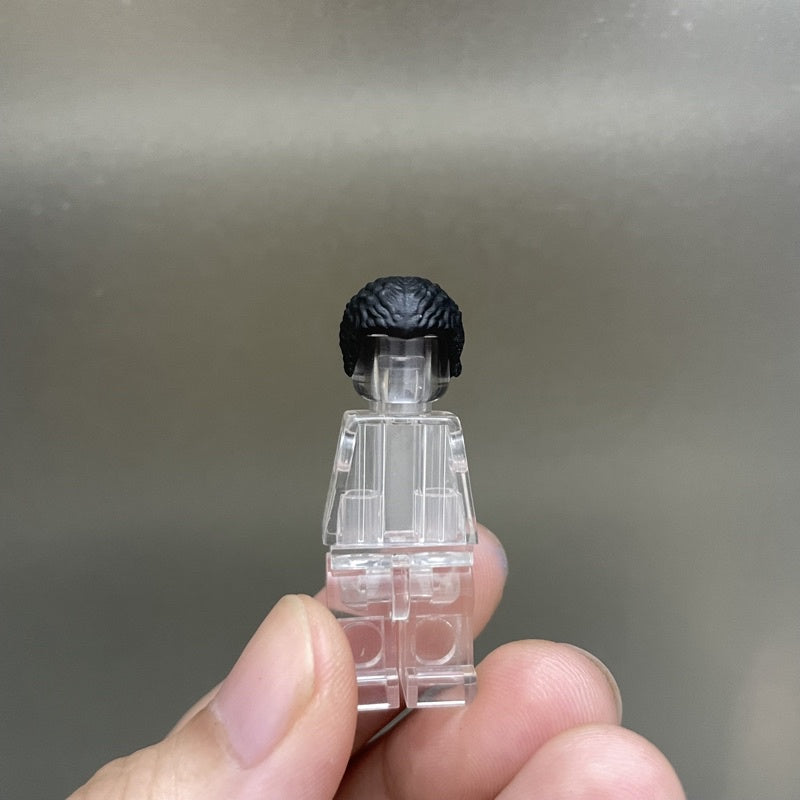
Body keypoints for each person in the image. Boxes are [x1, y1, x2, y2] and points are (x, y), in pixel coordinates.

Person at [69, 524, 685, 799]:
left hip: (426, 581)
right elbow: (345, 501)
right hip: (371, 577)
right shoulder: (366, 433)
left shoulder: (434, 435)